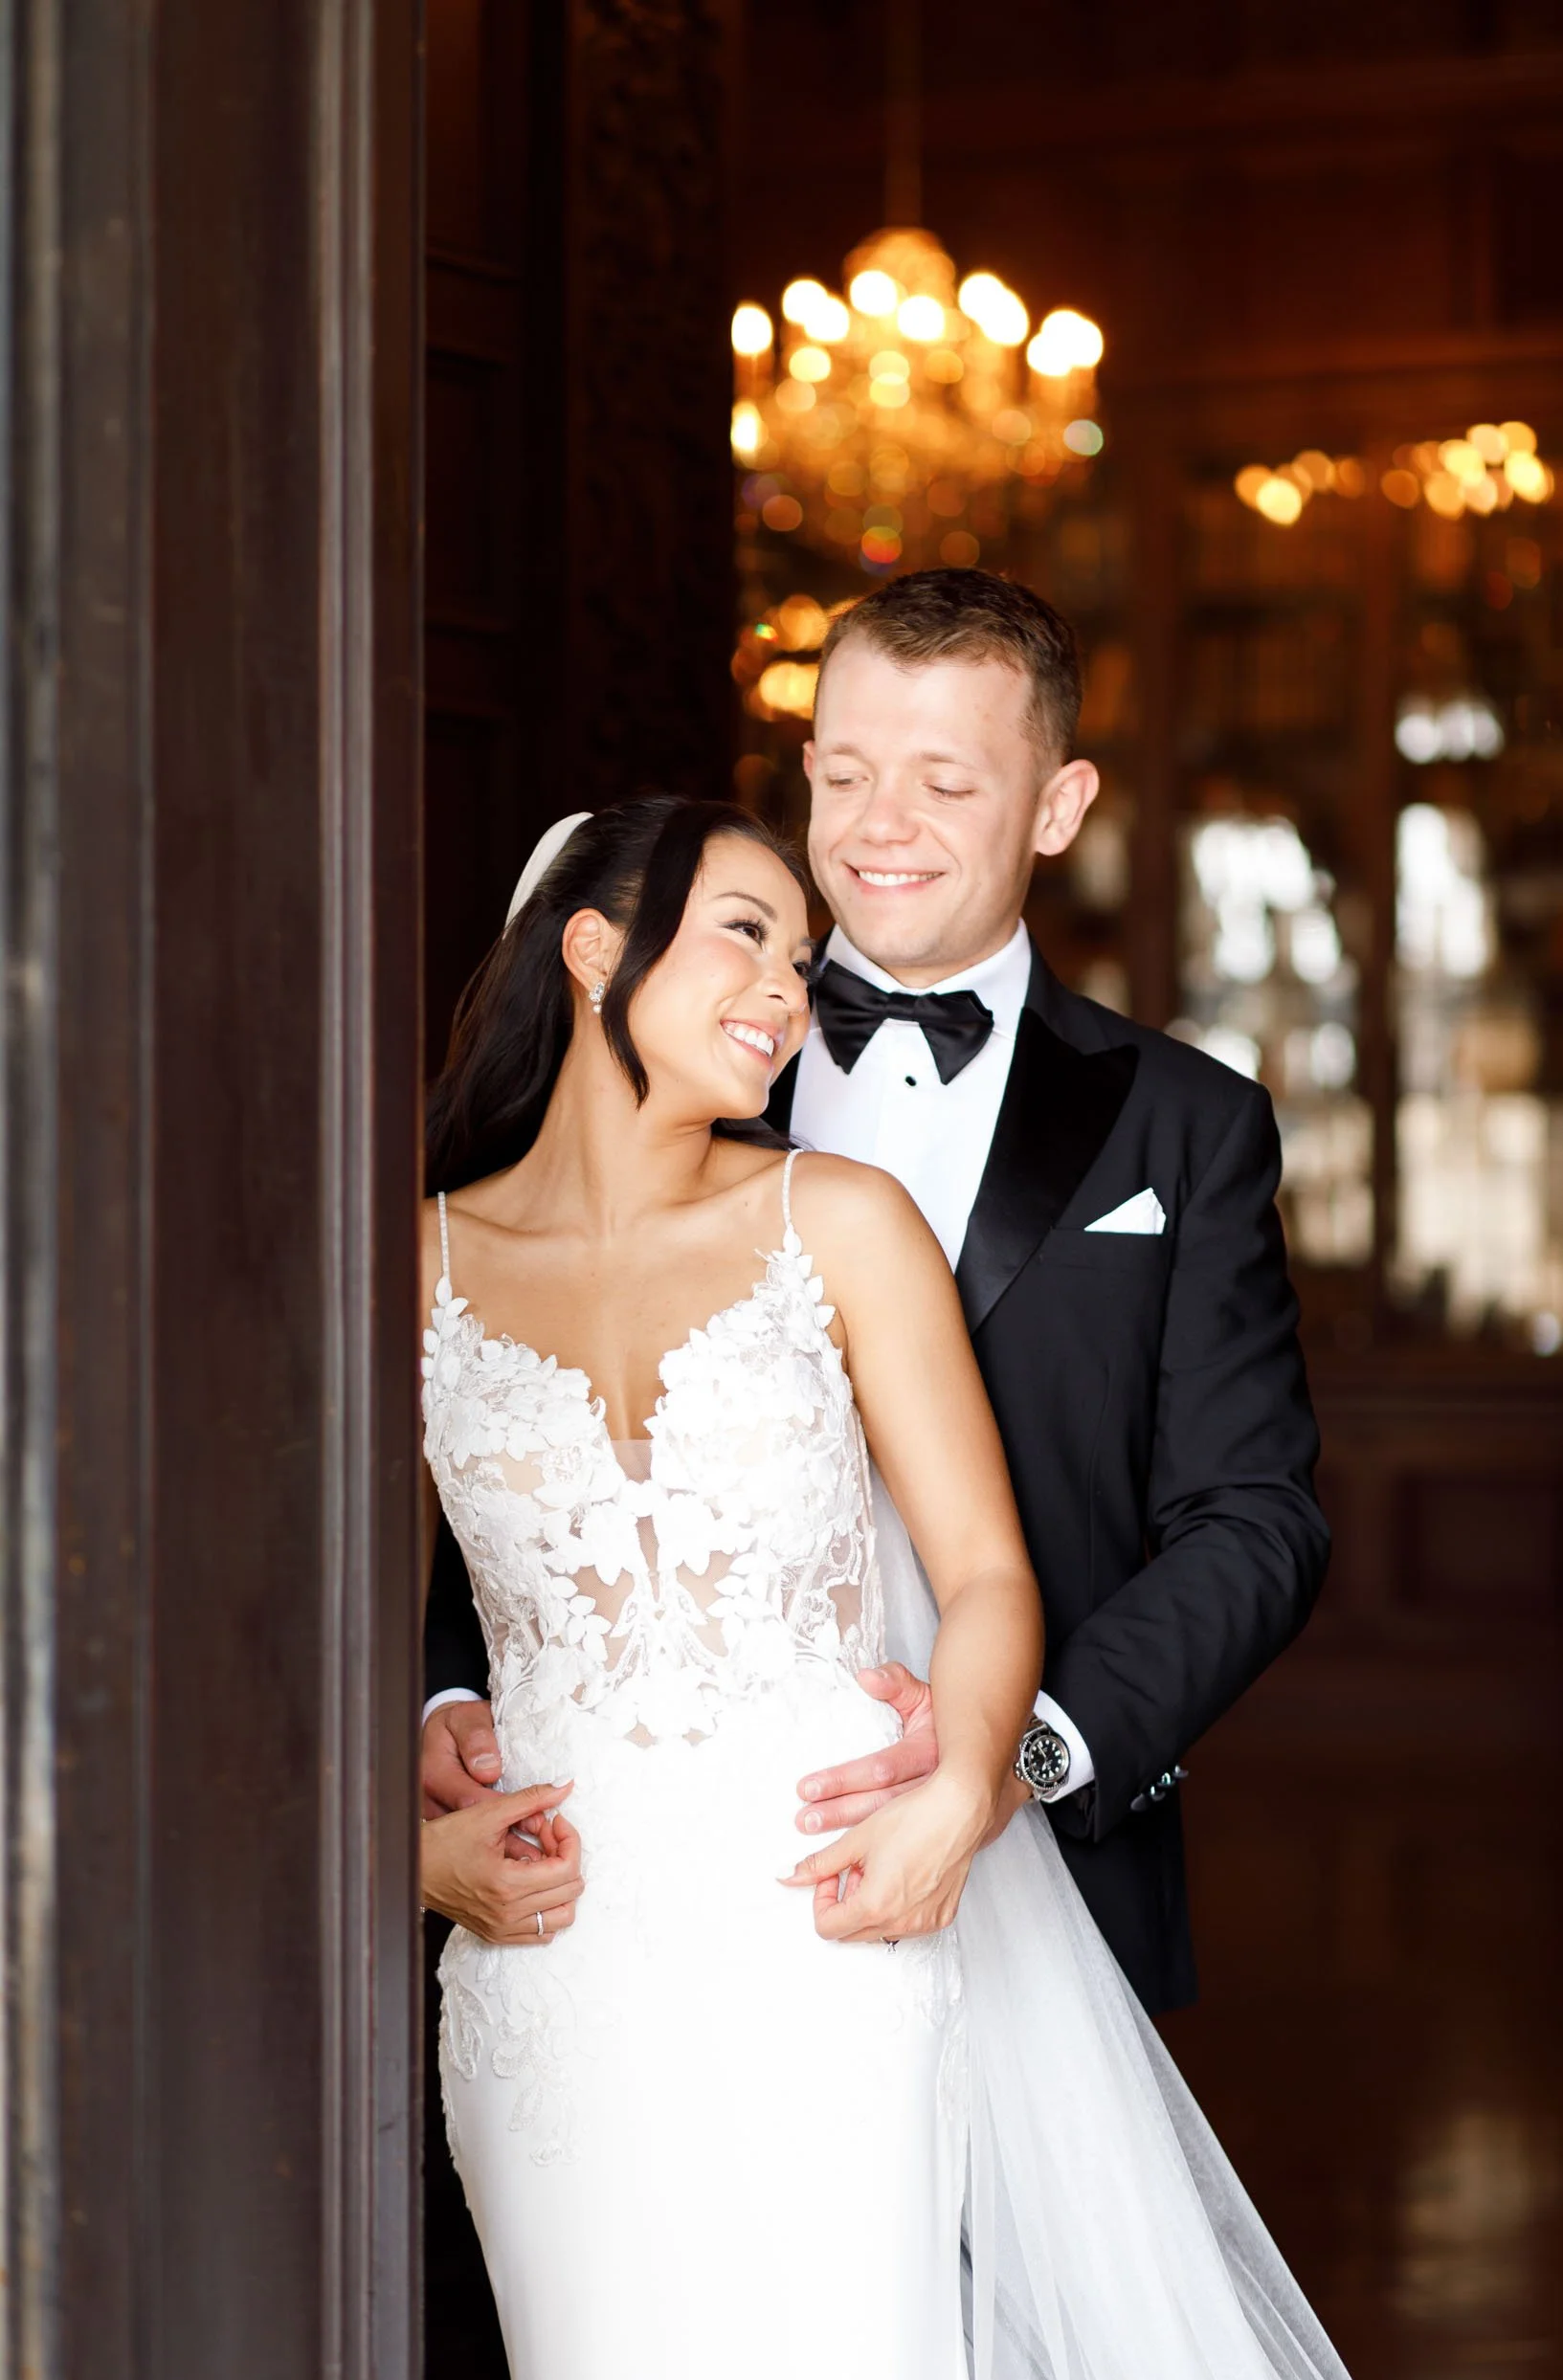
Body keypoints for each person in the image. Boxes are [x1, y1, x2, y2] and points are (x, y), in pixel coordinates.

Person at [417, 784, 1355, 2380]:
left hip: (829, 1932)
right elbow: (276, 1643)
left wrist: (968, 1786)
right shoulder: (406, 1261)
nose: (788, 991)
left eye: (801, 954)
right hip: (546, 1973)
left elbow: (990, 1571)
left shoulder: (839, 1219)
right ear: (589, 950)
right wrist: (412, 1842)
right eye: (745, 937)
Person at [424, 569, 1329, 2018]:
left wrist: (1011, 1763)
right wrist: (439, 1697)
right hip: (650, 1869)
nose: (878, 828)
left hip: (1046, 1864)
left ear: (1058, 806)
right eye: (843, 773)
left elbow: (1256, 1518)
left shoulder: (1186, 1124)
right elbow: (482, 1416)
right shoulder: (664, 1068)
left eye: (944, 783)